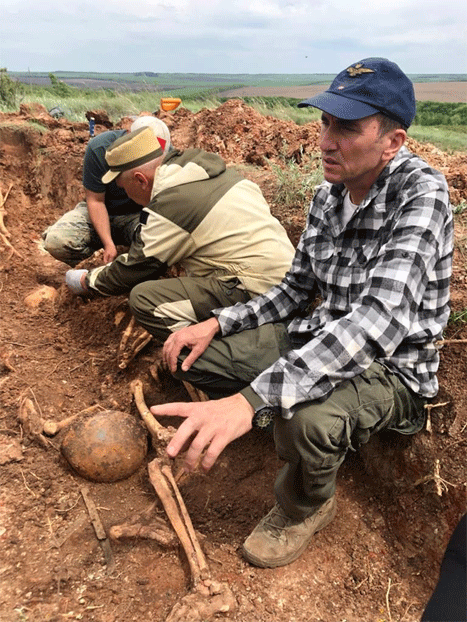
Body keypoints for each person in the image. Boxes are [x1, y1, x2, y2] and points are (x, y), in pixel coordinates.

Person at [149, 57, 454, 569]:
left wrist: (252, 400)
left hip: (393, 367)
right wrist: (218, 322)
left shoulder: (422, 197)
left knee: (304, 419)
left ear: (393, 142)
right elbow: (293, 293)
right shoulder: (327, 196)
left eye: (348, 127)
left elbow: (375, 323)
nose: (326, 140)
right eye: (325, 122)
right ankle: (279, 416)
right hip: (322, 337)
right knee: (194, 358)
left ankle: (306, 505)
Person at [65, 126, 295, 342]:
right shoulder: (209, 172)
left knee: (144, 299)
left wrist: (87, 281)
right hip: (291, 282)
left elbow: (135, 268)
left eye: (124, 187)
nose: (124, 192)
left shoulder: (171, 205)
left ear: (140, 180)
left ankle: (220, 356)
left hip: (260, 291)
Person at [42, 116, 171, 266]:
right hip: (102, 211)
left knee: (159, 239)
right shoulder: (100, 149)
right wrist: (108, 244)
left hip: (137, 215)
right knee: (56, 241)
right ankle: (96, 267)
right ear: (129, 136)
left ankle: (128, 265)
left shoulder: (167, 154)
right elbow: (95, 201)